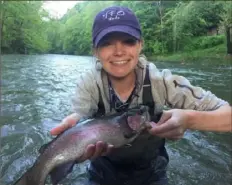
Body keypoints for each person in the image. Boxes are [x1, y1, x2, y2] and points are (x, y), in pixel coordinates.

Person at [50, 6, 232, 185]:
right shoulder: (89, 84)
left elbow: (228, 116)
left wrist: (188, 120)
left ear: (140, 45)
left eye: (128, 41)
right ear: (95, 51)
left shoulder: (161, 82)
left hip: (152, 175)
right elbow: (80, 116)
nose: (118, 51)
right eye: (107, 43)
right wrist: (74, 129)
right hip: (101, 175)